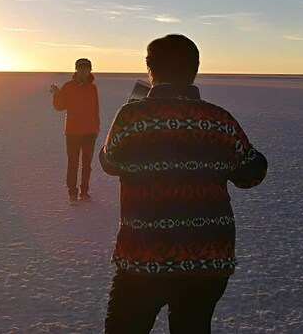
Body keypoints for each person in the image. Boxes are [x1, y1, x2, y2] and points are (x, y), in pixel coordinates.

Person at [100, 34, 267, 333]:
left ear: (149, 69)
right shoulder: (218, 119)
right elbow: (252, 173)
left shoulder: (132, 116)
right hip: (208, 259)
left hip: (143, 257)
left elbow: (109, 163)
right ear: (196, 69)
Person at [51, 57, 100, 203]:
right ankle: (72, 193)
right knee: (73, 163)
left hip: (90, 132)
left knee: (87, 164)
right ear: (76, 70)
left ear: (90, 70)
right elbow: (60, 106)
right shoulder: (68, 86)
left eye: (86, 68)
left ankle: (84, 191)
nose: (83, 71)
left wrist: (96, 128)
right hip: (73, 132)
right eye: (81, 68)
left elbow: (95, 109)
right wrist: (56, 95)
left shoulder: (93, 88)